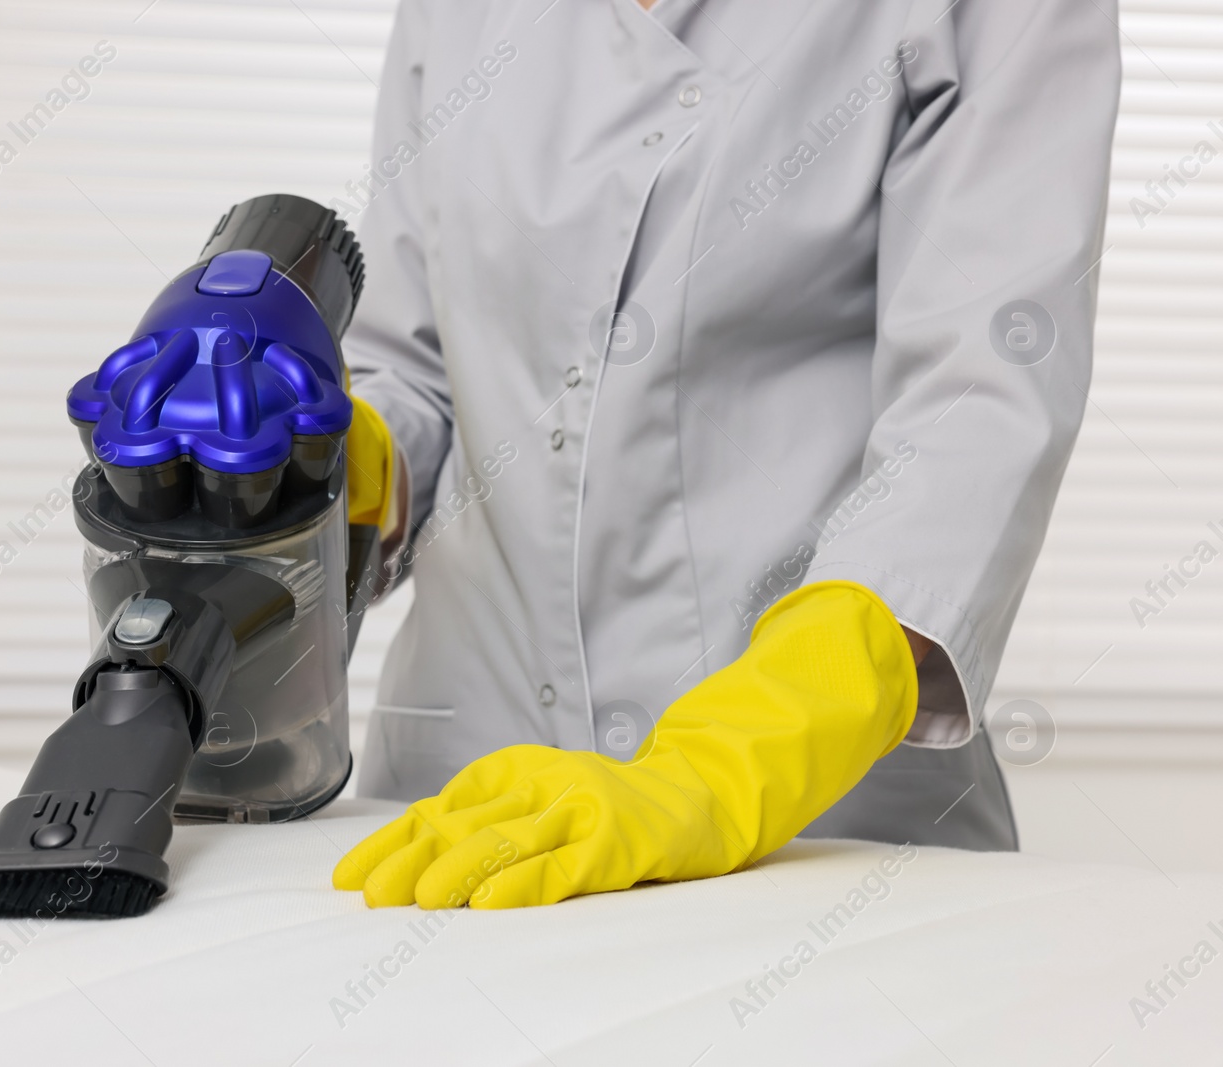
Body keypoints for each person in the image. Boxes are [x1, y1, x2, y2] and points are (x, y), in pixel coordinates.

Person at [330, 0, 1120, 910]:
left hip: (817, 829)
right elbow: (422, 368)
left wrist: (724, 766)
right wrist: (340, 456)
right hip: (462, 796)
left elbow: (975, 402)